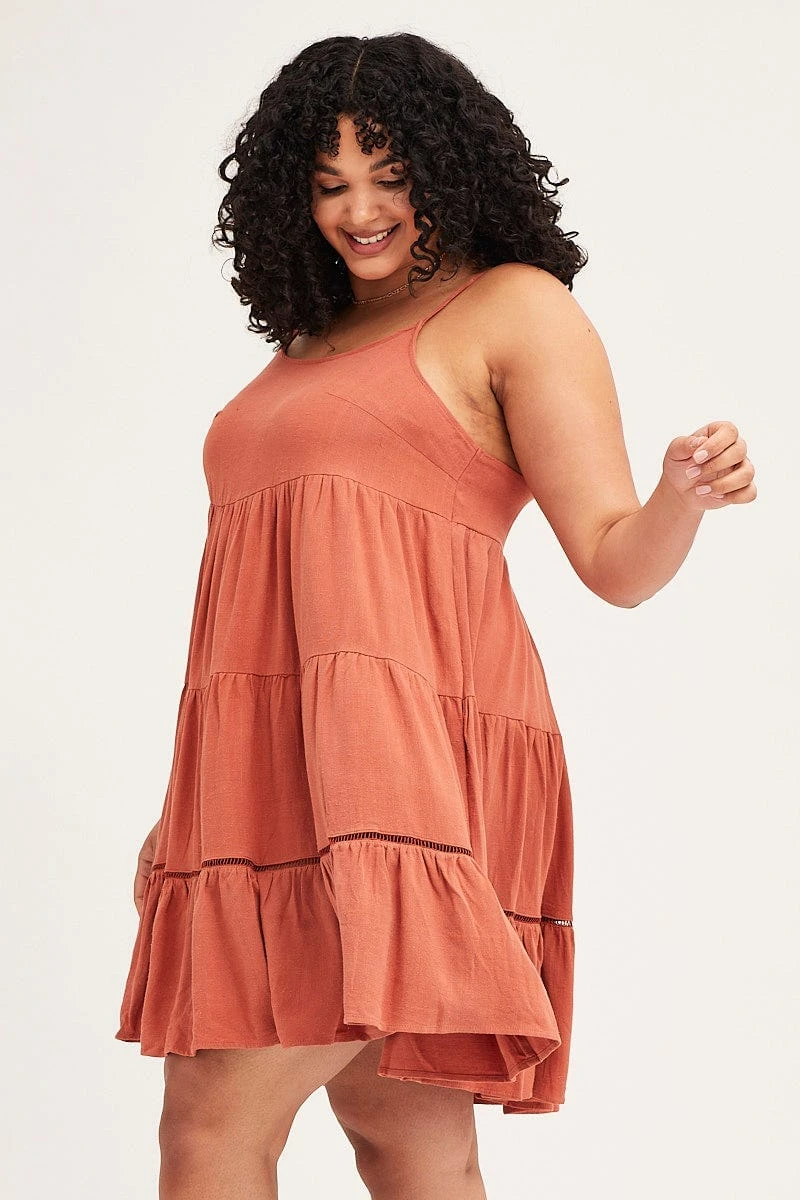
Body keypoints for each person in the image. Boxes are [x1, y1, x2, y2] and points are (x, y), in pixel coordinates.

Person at [115, 31, 757, 1200]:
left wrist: (680, 495)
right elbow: (255, 625)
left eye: (389, 177)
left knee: (211, 1122)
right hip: (271, 782)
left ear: (450, 170)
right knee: (405, 1140)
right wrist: (189, 813)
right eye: (328, 185)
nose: (359, 211)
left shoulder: (512, 309)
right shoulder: (304, 346)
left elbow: (613, 562)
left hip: (409, 774)